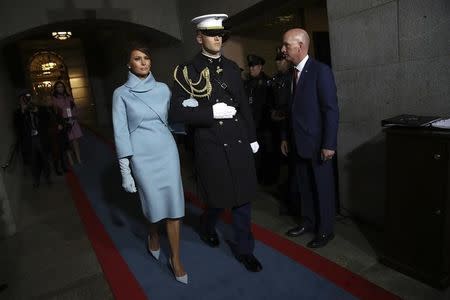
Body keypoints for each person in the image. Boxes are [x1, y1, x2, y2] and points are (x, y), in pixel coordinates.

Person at [169, 14, 262, 272]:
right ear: (199, 38)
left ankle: (246, 250)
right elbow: (176, 113)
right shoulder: (187, 71)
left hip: (238, 140)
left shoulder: (232, 68)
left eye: (220, 34)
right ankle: (207, 225)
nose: (217, 38)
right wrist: (209, 114)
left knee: (243, 200)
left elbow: (243, 106)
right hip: (210, 144)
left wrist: (252, 138)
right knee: (218, 200)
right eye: (211, 34)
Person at [112, 43, 188, 284]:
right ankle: (153, 233)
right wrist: (126, 172)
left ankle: (175, 258)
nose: (143, 62)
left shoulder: (164, 89)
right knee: (153, 204)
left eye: (146, 58)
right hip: (142, 156)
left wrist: (187, 113)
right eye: (137, 58)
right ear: (129, 64)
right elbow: (121, 133)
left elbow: (172, 124)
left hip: (166, 151)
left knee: (174, 205)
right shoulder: (121, 93)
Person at [281, 28, 339, 248]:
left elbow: (330, 110)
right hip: (297, 143)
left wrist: (329, 144)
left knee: (322, 189)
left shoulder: (320, 71)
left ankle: (325, 231)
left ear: (301, 46)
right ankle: (308, 222)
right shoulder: (291, 74)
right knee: (304, 186)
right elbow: (290, 110)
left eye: (286, 45)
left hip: (318, 145)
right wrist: (286, 137)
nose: (283, 49)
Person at [244, 54, 277, 185]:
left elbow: (271, 105)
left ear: (260, 67)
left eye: (254, 66)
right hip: (252, 126)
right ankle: (258, 178)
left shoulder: (268, 83)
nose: (251, 69)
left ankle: (269, 179)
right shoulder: (247, 84)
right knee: (255, 155)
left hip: (265, 125)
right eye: (250, 66)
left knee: (268, 153)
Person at [14, 91, 51, 188]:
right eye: (22, 100)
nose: (25, 101)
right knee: (33, 162)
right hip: (29, 140)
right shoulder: (18, 112)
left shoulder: (40, 108)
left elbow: (48, 119)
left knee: (45, 159)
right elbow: (17, 126)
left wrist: (36, 111)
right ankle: (36, 180)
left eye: (27, 99)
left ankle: (48, 177)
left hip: (41, 138)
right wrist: (22, 112)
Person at [52, 81, 83, 166]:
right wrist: (58, 123)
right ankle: (71, 161)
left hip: (72, 120)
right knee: (67, 141)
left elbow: (74, 107)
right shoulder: (54, 99)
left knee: (75, 141)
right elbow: (55, 113)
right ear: (55, 89)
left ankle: (78, 158)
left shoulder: (69, 97)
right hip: (63, 122)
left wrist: (75, 116)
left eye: (61, 87)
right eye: (58, 87)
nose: (60, 88)